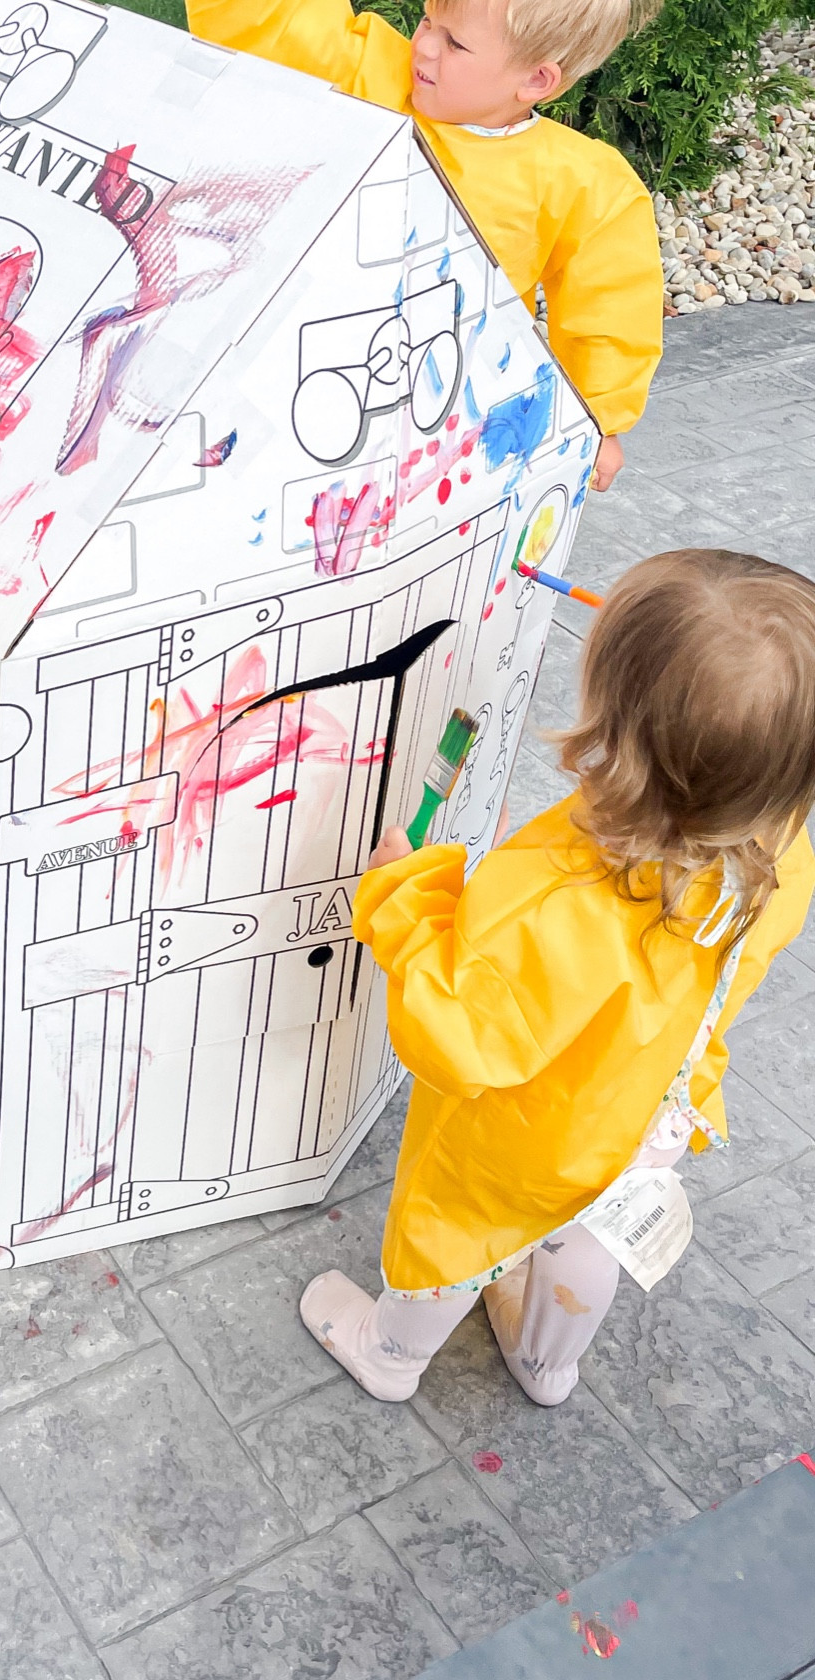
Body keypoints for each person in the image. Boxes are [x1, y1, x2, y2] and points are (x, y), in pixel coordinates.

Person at [300, 549, 815, 1404]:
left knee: (456, 1239)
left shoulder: (561, 896)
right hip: (643, 1118)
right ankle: (547, 1363)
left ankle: (388, 1356)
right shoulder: (784, 855)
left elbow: (455, 1037)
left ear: (617, 734)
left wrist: (407, 898)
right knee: (589, 1238)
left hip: (525, 1141)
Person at [156, 0, 666, 492]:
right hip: (297, 366)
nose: (423, 44)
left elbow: (609, 311)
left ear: (536, 79)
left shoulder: (585, 182)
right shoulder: (374, 78)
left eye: (456, 43)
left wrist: (595, 420)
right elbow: (299, 26)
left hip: (450, 414)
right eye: (429, 20)